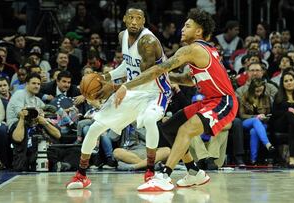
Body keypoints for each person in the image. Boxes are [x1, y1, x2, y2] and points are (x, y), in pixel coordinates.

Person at [114, 9, 238, 191]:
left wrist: (128, 84)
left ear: (198, 31)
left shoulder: (192, 49)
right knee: (169, 128)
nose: (182, 29)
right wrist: (170, 79)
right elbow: (189, 79)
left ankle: (164, 176)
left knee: (185, 130)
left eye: (187, 26)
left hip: (223, 101)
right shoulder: (205, 49)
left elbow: (160, 69)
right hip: (209, 101)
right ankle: (195, 173)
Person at [66, 7, 171, 189]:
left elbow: (147, 75)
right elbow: (127, 64)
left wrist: (119, 87)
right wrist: (105, 77)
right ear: (124, 19)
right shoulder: (123, 36)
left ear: (144, 21)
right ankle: (81, 175)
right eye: (131, 18)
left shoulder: (147, 41)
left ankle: (150, 173)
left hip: (156, 91)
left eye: (139, 18)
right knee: (95, 128)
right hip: (133, 91)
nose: (134, 22)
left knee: (149, 119)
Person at [239, 78, 274, 165]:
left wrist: (265, 117)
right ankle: (267, 144)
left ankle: (253, 160)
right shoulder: (245, 97)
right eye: (257, 91)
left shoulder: (266, 98)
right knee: (255, 120)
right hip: (247, 121)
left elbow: (270, 114)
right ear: (252, 90)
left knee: (254, 131)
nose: (259, 93)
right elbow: (242, 115)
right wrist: (256, 116)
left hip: (262, 124)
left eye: (261, 91)